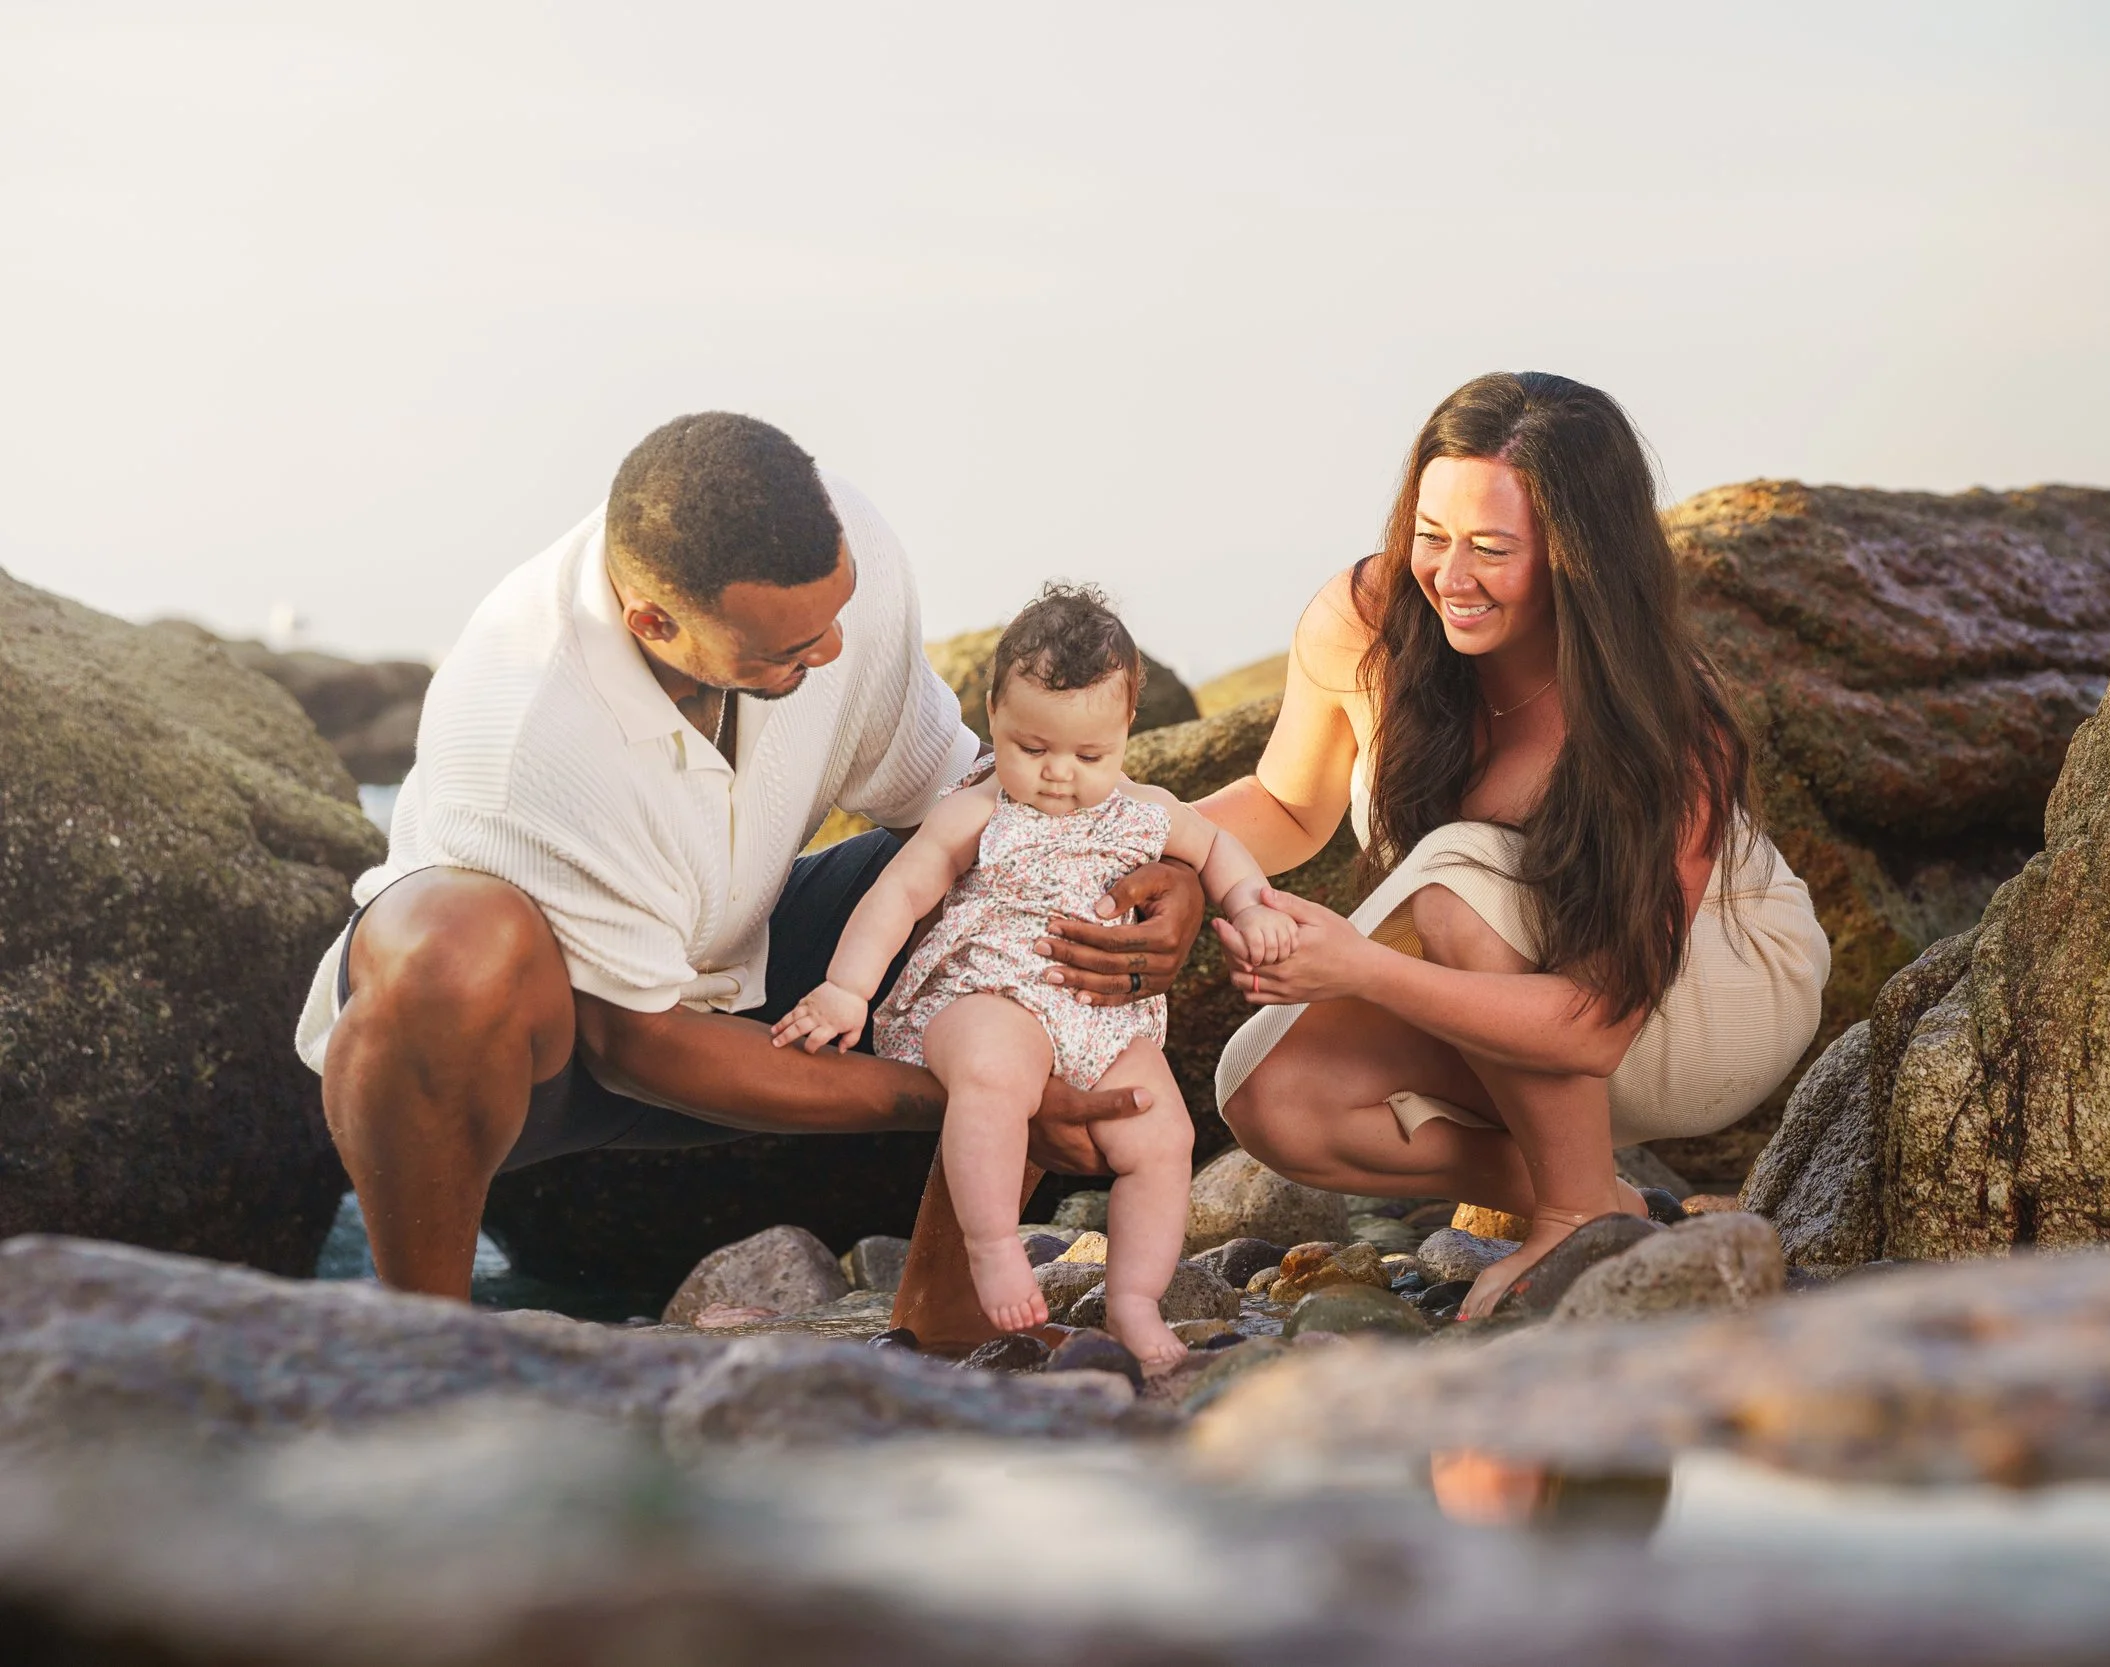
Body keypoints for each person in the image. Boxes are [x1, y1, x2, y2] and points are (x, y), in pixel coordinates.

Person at [296, 413, 1204, 1322]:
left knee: (1023, 879)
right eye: (788, 650)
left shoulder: (840, 573)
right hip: (548, 1049)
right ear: (654, 622)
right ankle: (423, 1348)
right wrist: (981, 1088)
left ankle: (948, 1320)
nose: (834, 650)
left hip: (744, 964)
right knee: (449, 952)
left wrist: (1170, 880)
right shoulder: (529, 724)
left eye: (835, 615)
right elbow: (634, 1046)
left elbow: (975, 802)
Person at [1198, 372, 1829, 1317]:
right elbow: (1290, 805)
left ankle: (1574, 1218)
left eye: (1493, 549)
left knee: (1453, 874)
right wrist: (1155, 850)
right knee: (1269, 1088)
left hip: (1703, 987)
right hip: (1529, 984)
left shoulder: (1660, 719)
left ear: (1582, 557)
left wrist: (1360, 970)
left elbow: (1599, 1021)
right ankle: (1599, 1200)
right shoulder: (1368, 622)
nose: (1451, 577)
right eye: (1433, 535)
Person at [774, 585, 1293, 1367]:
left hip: (1103, 1020)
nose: (1058, 774)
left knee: (1164, 1134)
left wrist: (1252, 903)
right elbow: (900, 892)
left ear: (1126, 730)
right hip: (986, 994)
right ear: (992, 717)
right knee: (996, 1074)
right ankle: (992, 1248)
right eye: (1031, 747)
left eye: (1089, 755)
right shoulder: (977, 811)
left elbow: (1218, 849)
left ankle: (1135, 1302)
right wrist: (847, 986)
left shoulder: (1147, 810)